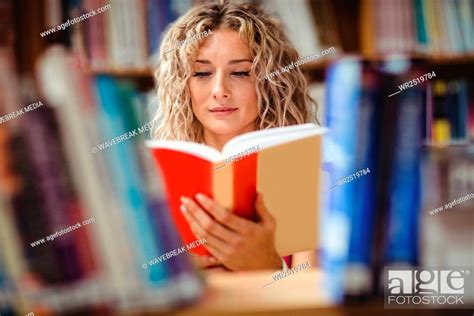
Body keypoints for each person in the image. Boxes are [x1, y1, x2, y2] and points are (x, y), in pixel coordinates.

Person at [152, 1, 319, 271]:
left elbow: (317, 308)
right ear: (184, 85)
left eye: (240, 72)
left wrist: (266, 266)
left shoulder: (310, 181)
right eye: (202, 73)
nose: (219, 90)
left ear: (271, 83)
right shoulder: (159, 183)